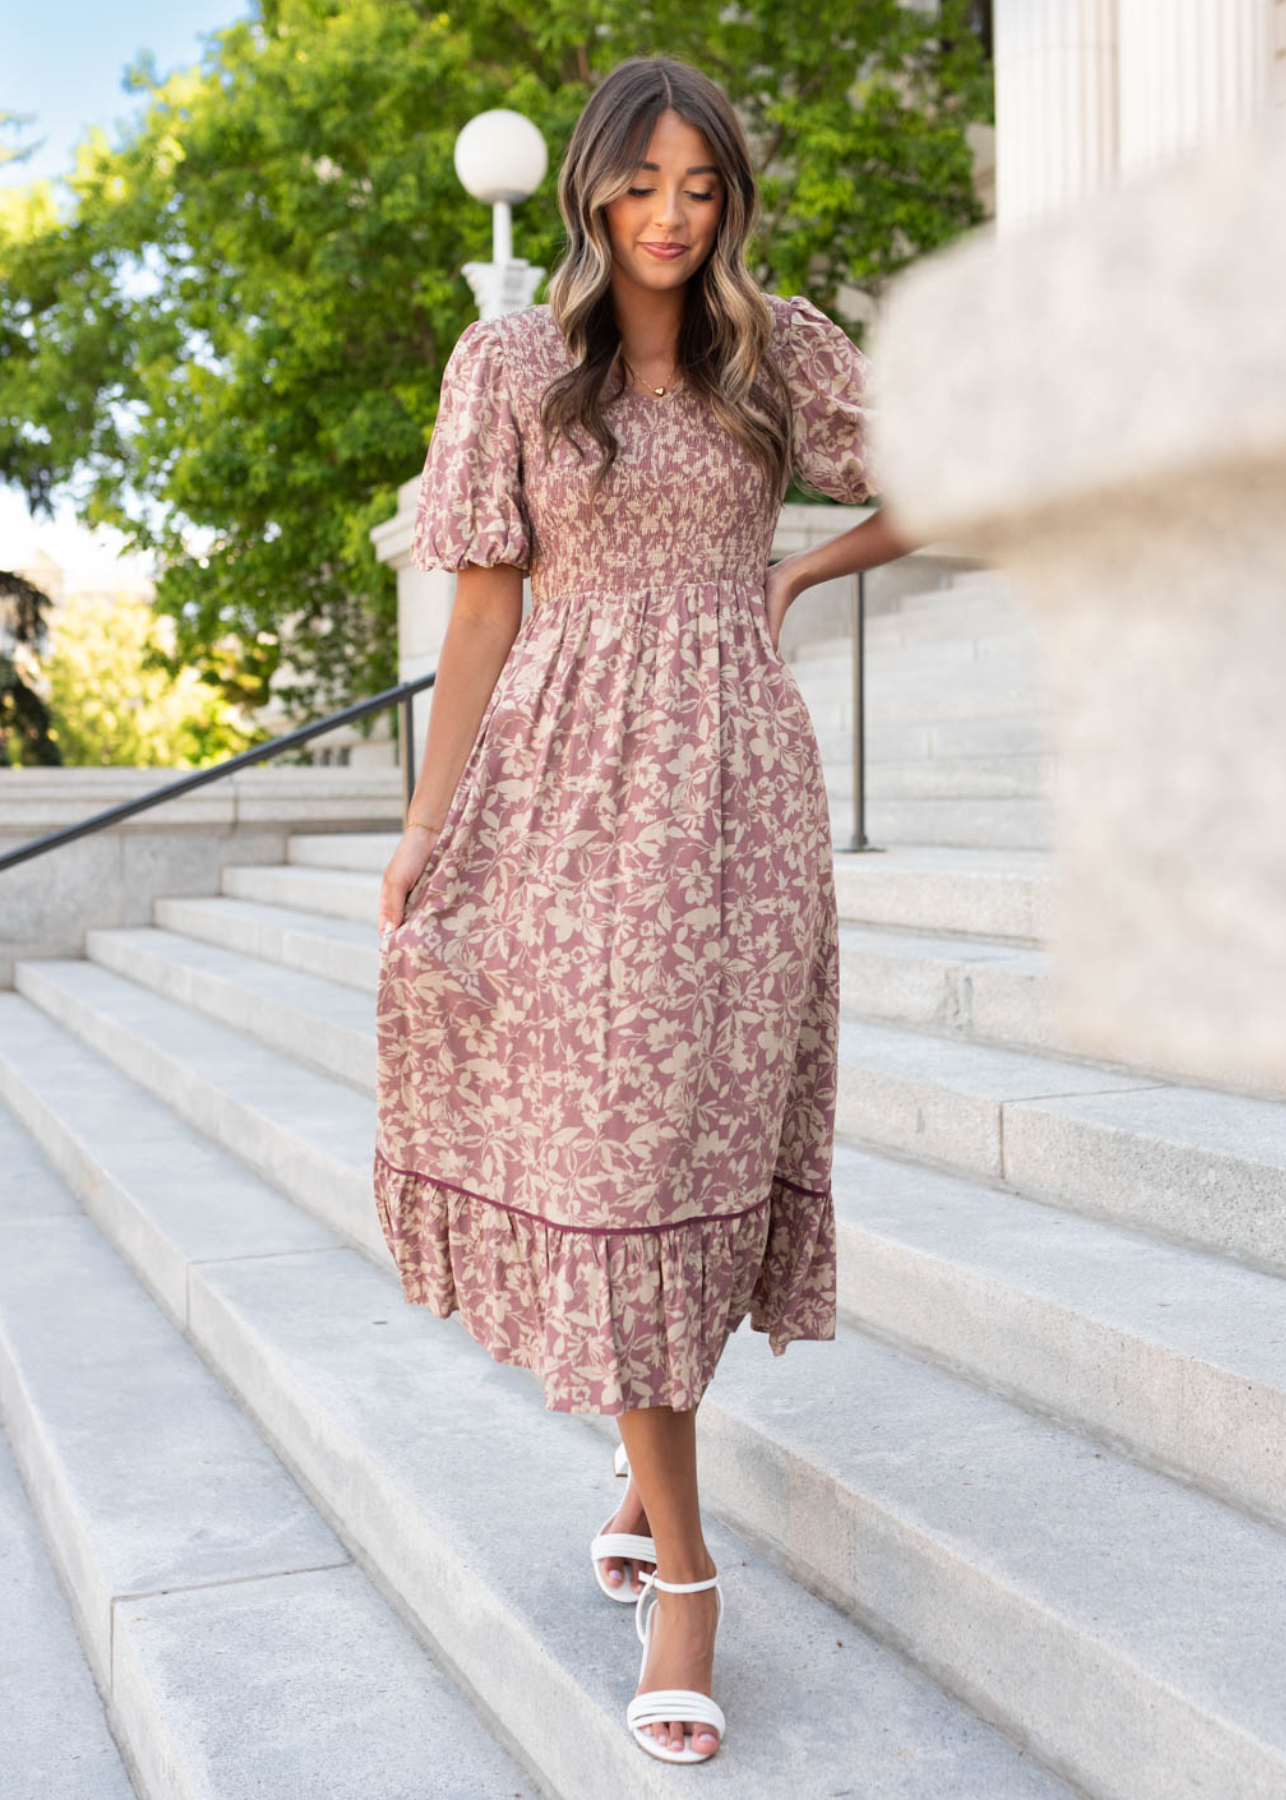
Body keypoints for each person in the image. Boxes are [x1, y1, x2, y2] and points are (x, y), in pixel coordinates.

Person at [373, 52, 915, 1768]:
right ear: (590, 191)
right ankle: (684, 1571)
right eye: (643, 186)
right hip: (561, 789)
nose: (672, 218)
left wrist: (799, 570)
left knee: (685, 1155)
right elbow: (477, 610)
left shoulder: (780, 351)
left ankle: (642, 1468)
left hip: (739, 793)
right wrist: (423, 822)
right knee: (613, 1158)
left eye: (701, 189)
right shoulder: (515, 362)